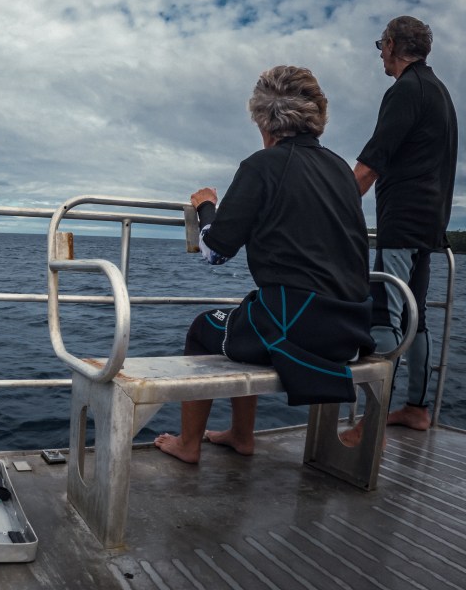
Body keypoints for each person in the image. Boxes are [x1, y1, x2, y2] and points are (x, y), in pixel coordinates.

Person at [155, 65, 375, 464]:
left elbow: (216, 252)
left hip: (299, 330)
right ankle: (240, 435)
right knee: (248, 312)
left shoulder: (261, 165)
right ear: (317, 117)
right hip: (353, 331)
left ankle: (188, 445)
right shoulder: (340, 170)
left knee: (204, 328)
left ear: (263, 121)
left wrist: (206, 207)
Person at [349, 16, 457, 436]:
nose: (380, 54)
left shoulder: (406, 91)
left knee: (385, 316)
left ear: (392, 45)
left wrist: (332, 203)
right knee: (417, 319)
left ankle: (368, 425)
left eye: (381, 46)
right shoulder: (440, 92)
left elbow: (372, 161)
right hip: (430, 224)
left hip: (402, 221)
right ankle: (416, 408)